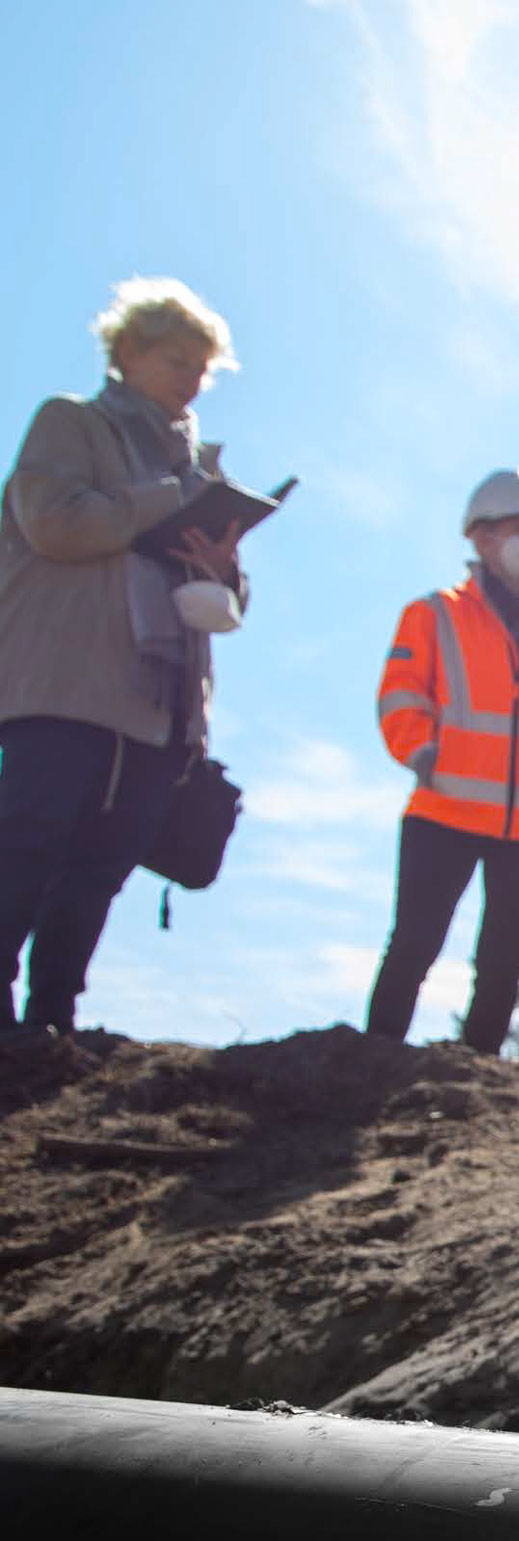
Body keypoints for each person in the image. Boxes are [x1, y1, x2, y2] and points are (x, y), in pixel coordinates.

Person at [0, 276, 249, 1042]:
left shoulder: (193, 468)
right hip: (63, 681)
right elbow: (53, 523)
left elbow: (231, 596)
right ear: (128, 353)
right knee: (27, 840)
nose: (191, 380)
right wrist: (168, 497)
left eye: (202, 368)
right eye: (177, 360)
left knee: (105, 864)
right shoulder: (73, 424)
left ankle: (52, 1022)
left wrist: (219, 560)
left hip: (158, 701)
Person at [364, 469, 519, 1054]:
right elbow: (400, 691)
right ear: (480, 537)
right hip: (445, 807)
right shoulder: (434, 614)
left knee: (504, 963)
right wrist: (421, 750)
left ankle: (477, 1076)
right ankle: (371, 1060)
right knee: (414, 944)